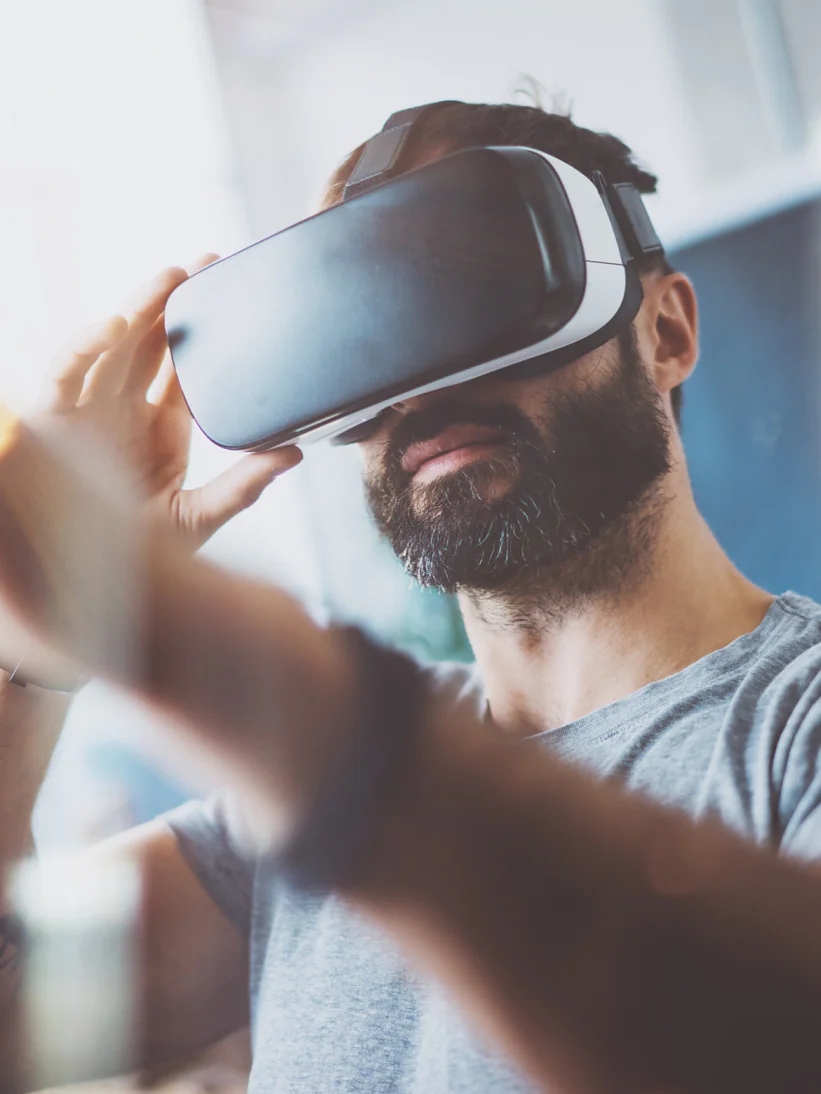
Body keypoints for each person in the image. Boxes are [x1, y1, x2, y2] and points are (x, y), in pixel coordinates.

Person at [2, 100, 821, 1094]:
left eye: (472, 295)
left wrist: (197, 640)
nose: (417, 391)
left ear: (663, 332)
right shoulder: (267, 829)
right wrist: (40, 658)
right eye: (362, 333)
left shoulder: (793, 727)